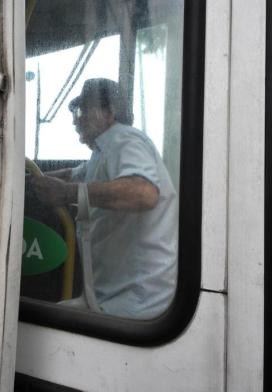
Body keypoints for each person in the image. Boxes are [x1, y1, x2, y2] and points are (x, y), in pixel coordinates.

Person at [30, 78, 178, 319]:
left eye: (83, 110)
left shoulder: (124, 140)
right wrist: (30, 178)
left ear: (110, 112)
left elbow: (143, 193)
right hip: (111, 294)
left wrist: (67, 193)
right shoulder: (103, 152)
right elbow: (73, 174)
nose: (76, 119)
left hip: (138, 301)